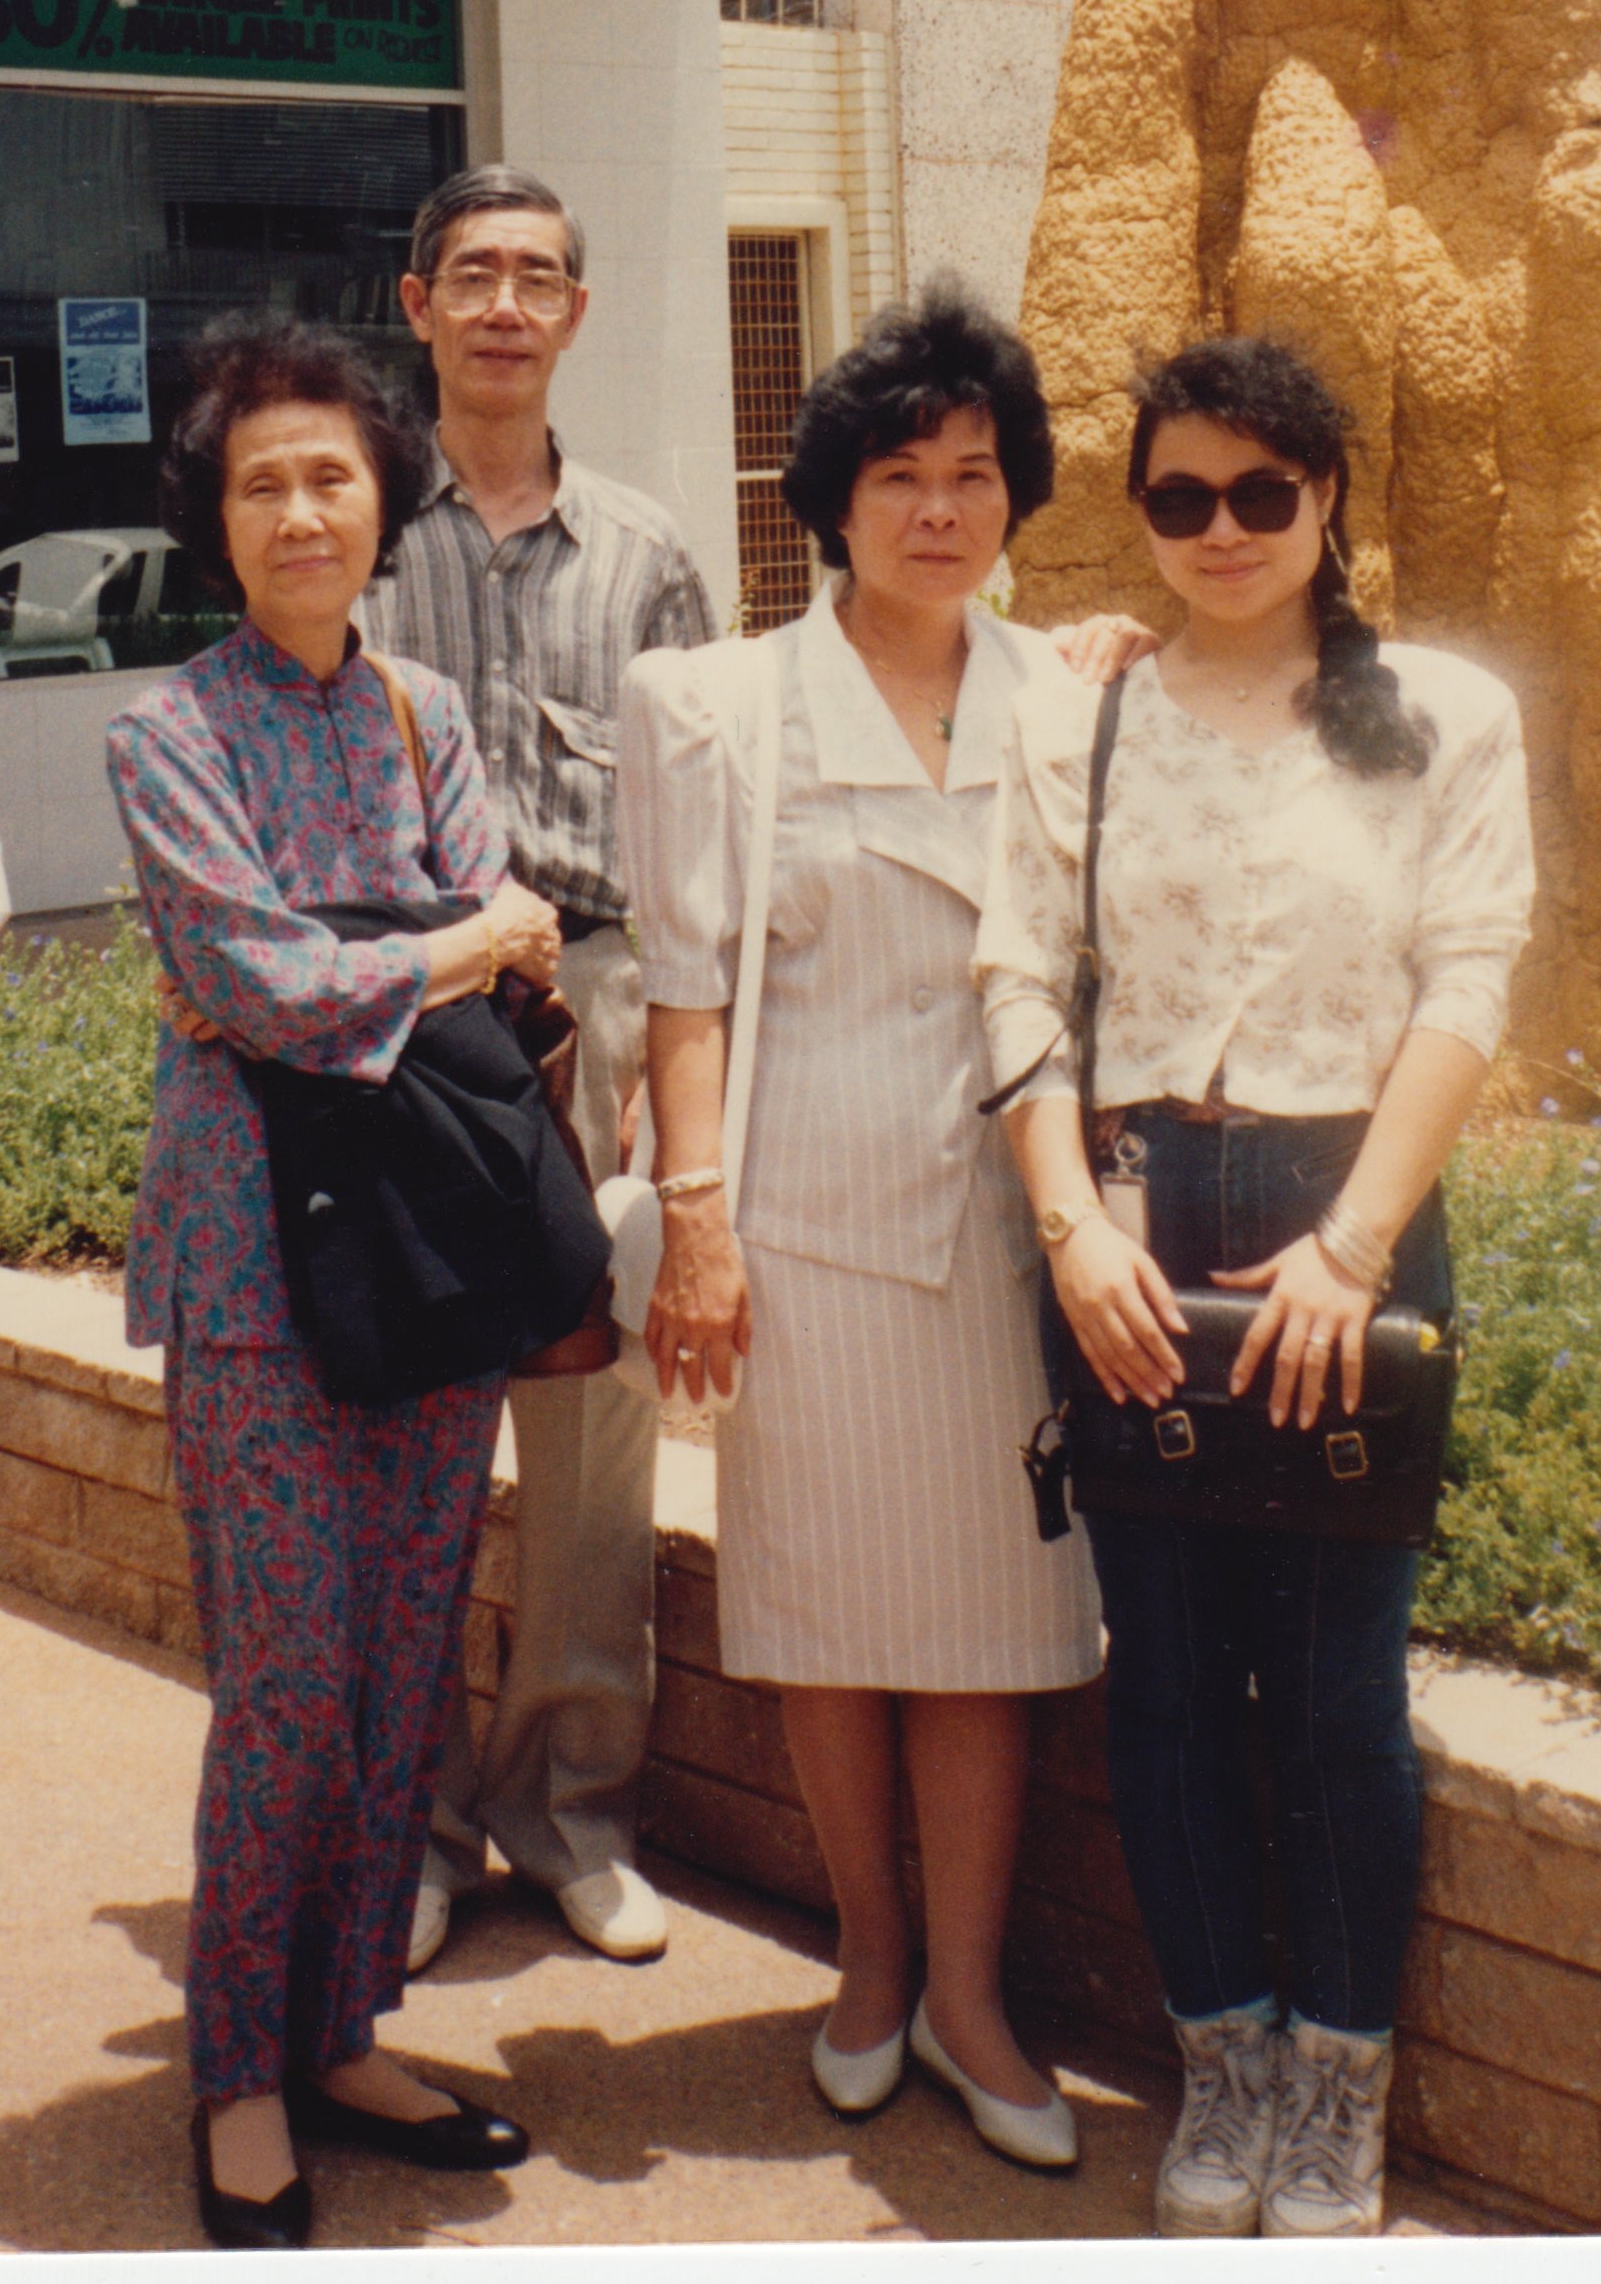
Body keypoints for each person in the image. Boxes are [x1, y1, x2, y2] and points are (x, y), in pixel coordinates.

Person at [978, 335, 1534, 2242]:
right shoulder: (1086, 715)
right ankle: (1219, 2059)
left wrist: (1354, 1243)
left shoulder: (1445, 714)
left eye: (1260, 494)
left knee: (1330, 1691)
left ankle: (1338, 2086)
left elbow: (1467, 981)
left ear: (1326, 503)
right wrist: (1070, 1226)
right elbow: (1019, 988)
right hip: (1128, 1214)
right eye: (1177, 496)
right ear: (1138, 511)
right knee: (1166, 1682)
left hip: (1341, 1208)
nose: (1218, 531)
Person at [619, 287, 1102, 2170]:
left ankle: (972, 1997)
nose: (938, 510)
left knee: (982, 1626)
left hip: (1006, 1223)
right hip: (801, 1224)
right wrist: (700, 1225)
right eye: (901, 475)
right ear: (834, 499)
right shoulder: (721, 706)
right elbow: (685, 995)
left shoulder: (1074, 698)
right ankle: (871, 1962)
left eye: (974, 475)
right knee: (828, 1620)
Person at [108, 315, 562, 2248]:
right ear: (218, 518)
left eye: (332, 476)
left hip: (428, 1247)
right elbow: (259, 986)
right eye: (261, 481)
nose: (302, 511)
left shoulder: (426, 716)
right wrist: (449, 948)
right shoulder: (166, 734)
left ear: (384, 499)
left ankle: (349, 2026)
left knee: (402, 1671)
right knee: (287, 1681)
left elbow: (488, 967)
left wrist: (435, 951)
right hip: (250, 1268)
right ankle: (235, 2077)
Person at [362, 165, 715, 1975]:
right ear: (414, 304)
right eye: (471, 276)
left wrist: (676, 1055)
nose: (504, 306)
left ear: (578, 314)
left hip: (589, 1015)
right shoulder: (345, 523)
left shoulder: (651, 555)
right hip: (396, 1037)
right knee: (411, 1440)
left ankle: (571, 1817)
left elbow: (692, 838)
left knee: (594, 1447)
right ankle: (411, 1834)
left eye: (537, 279)